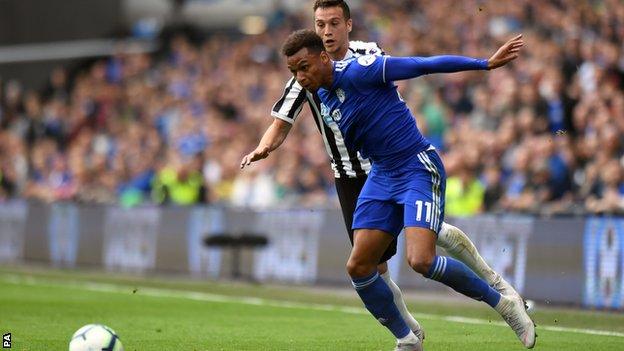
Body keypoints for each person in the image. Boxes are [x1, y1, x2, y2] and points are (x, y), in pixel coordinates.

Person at [240, 0, 523, 344]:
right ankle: (408, 335)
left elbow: (417, 67)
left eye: (332, 23)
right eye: (320, 25)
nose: (326, 31)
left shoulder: (365, 61)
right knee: (363, 266)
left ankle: (499, 295)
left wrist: (483, 64)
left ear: (348, 25)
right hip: (364, 176)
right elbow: (280, 122)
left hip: (407, 164)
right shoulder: (312, 87)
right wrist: (265, 146)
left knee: (421, 257)